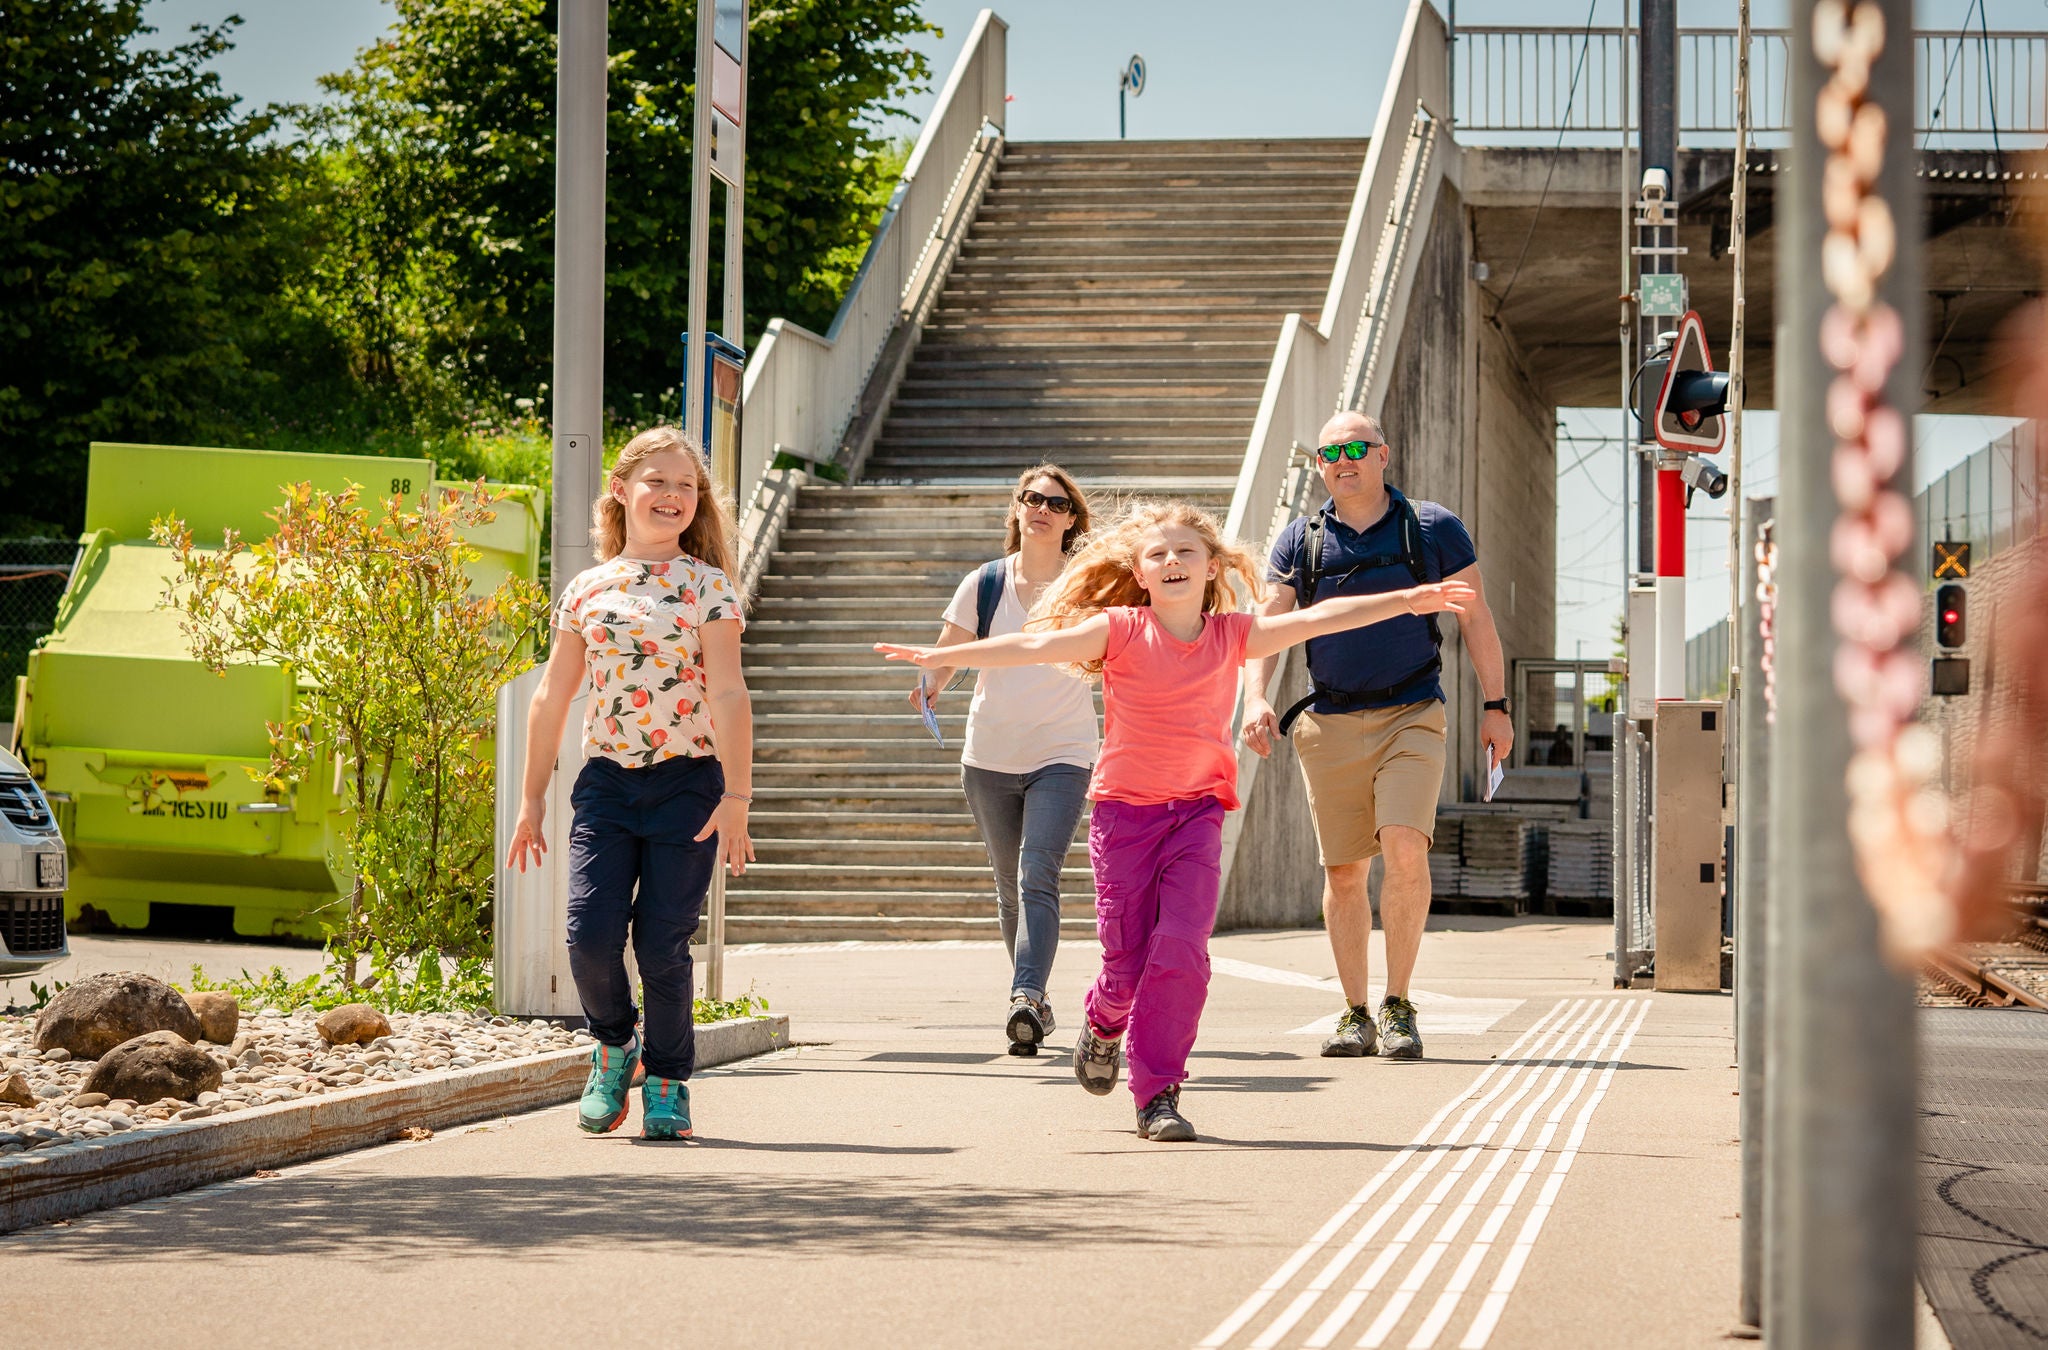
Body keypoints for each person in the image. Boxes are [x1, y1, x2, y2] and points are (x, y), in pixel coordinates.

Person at [879, 501, 1472, 1142]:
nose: (1172, 562)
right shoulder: (1120, 628)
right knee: (1125, 965)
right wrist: (942, 660)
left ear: (1211, 567)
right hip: (1123, 819)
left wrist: (1408, 600)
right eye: (1158, 554)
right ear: (1138, 572)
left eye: (1186, 552)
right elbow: (1035, 644)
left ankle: (1158, 1091)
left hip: (1196, 815)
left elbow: (1320, 616)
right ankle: (1104, 1022)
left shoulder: (1233, 635)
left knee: (1184, 951)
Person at [1240, 411, 1513, 1063]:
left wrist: (1497, 705)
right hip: (1326, 721)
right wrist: (1253, 697)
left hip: (1412, 713)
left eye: (1357, 447)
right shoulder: (1298, 542)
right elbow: (1267, 629)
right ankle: (1355, 1011)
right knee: (1344, 873)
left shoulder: (1432, 529)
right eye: (1330, 452)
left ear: (1384, 455)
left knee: (1405, 846)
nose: (1344, 459)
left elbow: (1475, 618)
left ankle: (1397, 1003)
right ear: (1319, 467)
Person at [506, 427, 755, 1141]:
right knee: (588, 934)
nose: (672, 495)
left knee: (662, 946)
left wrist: (736, 797)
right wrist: (530, 799)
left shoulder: (709, 587)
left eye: (685, 485)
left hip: (689, 788)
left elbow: (730, 695)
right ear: (621, 490)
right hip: (607, 786)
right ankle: (616, 1046)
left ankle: (671, 1080)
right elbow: (552, 696)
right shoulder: (587, 588)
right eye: (657, 482)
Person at [909, 465, 1098, 1056]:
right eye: (1031, 498)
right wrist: (931, 683)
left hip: (1063, 752)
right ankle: (1035, 1000)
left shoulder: (1086, 586)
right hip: (989, 754)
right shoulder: (984, 582)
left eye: (1056, 503)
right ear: (1017, 509)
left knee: (1036, 871)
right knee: (1008, 884)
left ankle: (1023, 994)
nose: (1041, 508)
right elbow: (949, 651)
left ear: (1072, 521)